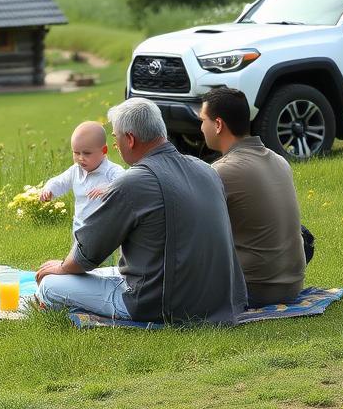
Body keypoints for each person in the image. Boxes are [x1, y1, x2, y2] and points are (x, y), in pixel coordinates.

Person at [35, 98, 245, 325]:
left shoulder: (134, 182)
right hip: (221, 298)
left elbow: (88, 254)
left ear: (130, 139)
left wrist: (62, 267)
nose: (116, 146)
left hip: (162, 303)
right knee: (108, 273)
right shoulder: (206, 170)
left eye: (115, 139)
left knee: (49, 285)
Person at [199, 88, 307, 307]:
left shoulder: (221, 171)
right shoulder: (280, 161)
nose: (201, 127)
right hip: (293, 284)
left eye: (203, 120)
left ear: (218, 125)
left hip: (254, 290)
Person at [39, 121, 125, 235]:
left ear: (104, 151)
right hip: (79, 227)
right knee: (78, 251)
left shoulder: (111, 171)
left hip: (104, 230)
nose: (80, 158)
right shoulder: (75, 171)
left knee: (101, 252)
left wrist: (109, 188)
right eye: (76, 153)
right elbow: (60, 181)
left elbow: (126, 182)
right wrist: (49, 189)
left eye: (86, 153)